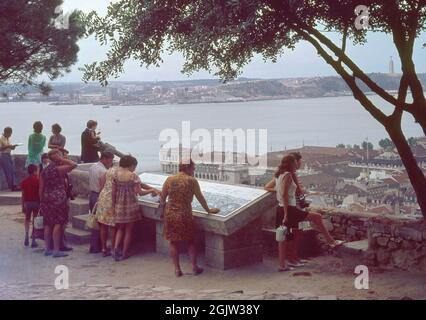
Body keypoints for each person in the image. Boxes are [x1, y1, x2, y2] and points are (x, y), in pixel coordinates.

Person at [267, 154, 343, 272]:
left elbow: (271, 189)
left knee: (283, 237)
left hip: (280, 208)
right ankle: (331, 241)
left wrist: (279, 190)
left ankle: (283, 264)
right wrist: (287, 213)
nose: (297, 164)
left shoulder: (278, 175)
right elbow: (285, 195)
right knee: (316, 217)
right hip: (289, 209)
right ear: (291, 163)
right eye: (295, 162)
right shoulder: (288, 175)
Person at [160, 159, 220, 277]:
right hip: (185, 214)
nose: (194, 170)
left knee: (173, 242)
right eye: (193, 168)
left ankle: (177, 270)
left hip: (170, 214)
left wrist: (162, 212)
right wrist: (208, 210)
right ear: (187, 168)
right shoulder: (192, 181)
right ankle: (194, 267)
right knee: (190, 241)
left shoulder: (169, 179)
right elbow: (200, 198)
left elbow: (162, 199)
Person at [111, 155, 160, 261]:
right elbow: (140, 193)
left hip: (119, 205)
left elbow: (113, 192)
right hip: (131, 205)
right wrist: (152, 191)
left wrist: (113, 206)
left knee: (120, 228)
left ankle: (115, 249)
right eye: (135, 166)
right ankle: (124, 253)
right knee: (129, 230)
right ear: (131, 165)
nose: (135, 169)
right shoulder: (133, 176)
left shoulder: (115, 175)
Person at [39, 149, 77, 258]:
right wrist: (61, 158)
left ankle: (47, 249)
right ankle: (56, 250)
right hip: (58, 199)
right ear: (56, 157)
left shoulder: (44, 171)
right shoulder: (58, 169)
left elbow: (40, 188)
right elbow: (74, 164)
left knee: (47, 224)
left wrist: (41, 200)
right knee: (58, 224)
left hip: (46, 199)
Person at [88, 151, 115, 254]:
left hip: (92, 195)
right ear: (105, 158)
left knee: (95, 221)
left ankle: (95, 246)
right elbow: (103, 187)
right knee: (101, 223)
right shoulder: (103, 171)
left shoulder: (92, 167)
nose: (111, 162)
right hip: (100, 196)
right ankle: (97, 246)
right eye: (110, 160)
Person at [95, 160, 118, 257]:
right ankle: (113, 248)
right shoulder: (117, 173)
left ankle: (104, 248)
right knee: (112, 226)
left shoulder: (107, 172)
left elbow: (101, 185)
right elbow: (114, 190)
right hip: (110, 200)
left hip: (103, 197)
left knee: (103, 226)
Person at [20, 164, 40, 248]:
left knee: (27, 219)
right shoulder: (38, 180)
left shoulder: (24, 181)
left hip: (27, 203)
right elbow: (40, 192)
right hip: (36, 202)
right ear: (35, 171)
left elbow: (23, 194)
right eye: (37, 170)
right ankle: (34, 240)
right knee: (35, 220)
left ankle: (26, 235)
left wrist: (22, 205)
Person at [0, 127, 20, 191]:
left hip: (8, 154)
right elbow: (0, 149)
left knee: (12, 170)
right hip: (3, 155)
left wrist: (12, 147)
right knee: (9, 171)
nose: (10, 135)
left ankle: (14, 185)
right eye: (10, 134)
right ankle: (13, 186)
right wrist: (8, 146)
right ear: (6, 132)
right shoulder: (1, 138)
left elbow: (8, 147)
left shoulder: (7, 138)